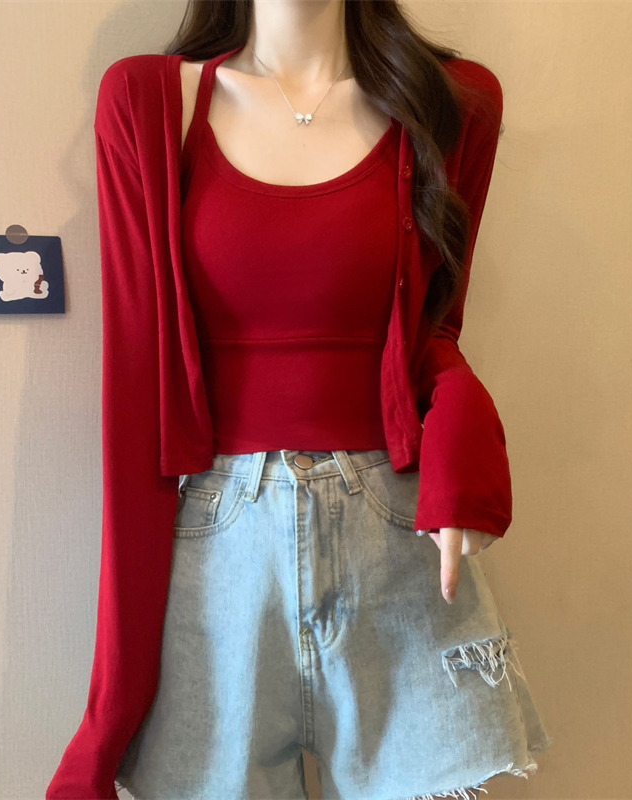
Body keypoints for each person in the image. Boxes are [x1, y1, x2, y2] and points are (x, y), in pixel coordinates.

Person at [47, 2, 553, 798]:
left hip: (398, 527)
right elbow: (137, 388)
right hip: (219, 543)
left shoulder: (451, 103)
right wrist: (107, 710)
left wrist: (461, 419)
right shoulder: (150, 103)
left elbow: (432, 326)